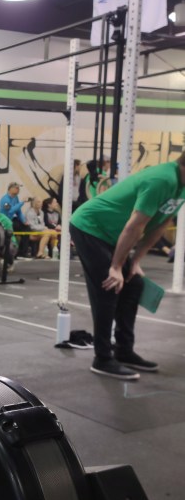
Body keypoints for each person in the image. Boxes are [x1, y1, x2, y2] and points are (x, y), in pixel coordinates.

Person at [69, 152, 185, 380]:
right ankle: (102, 358)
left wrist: (137, 261)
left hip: (113, 235)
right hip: (90, 227)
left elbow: (162, 224)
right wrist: (116, 266)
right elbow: (135, 225)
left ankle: (123, 350)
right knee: (110, 285)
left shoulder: (181, 186)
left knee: (134, 284)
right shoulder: (162, 179)